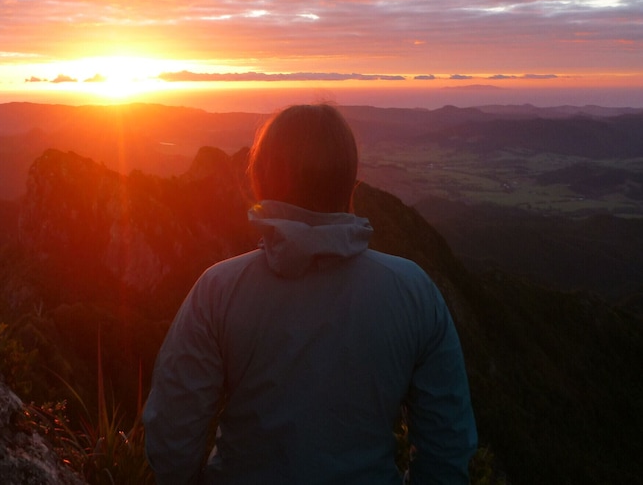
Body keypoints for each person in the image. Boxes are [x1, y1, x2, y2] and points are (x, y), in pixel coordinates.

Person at [143, 104, 477, 484]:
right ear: (350, 184)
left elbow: (172, 437)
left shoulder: (218, 291)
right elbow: (447, 447)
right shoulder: (414, 291)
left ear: (260, 182)